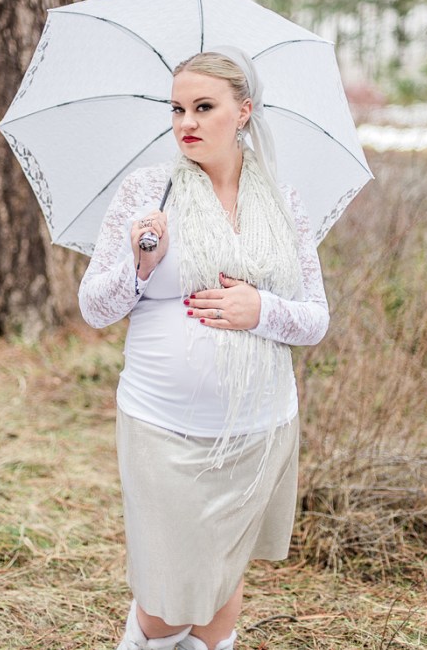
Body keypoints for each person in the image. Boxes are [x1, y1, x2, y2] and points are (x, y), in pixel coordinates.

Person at [78, 47, 329, 650]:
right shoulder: (150, 192)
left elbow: (315, 320)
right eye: (177, 109)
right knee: (166, 608)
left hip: (258, 428)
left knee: (219, 603)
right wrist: (142, 265)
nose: (186, 122)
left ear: (243, 111)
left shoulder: (282, 201)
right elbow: (95, 308)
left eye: (203, 107)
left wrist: (261, 310)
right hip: (162, 426)